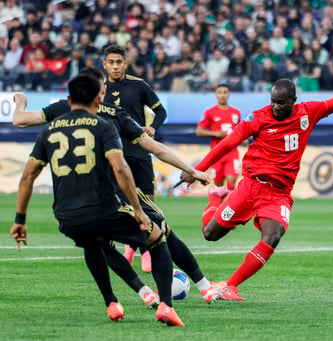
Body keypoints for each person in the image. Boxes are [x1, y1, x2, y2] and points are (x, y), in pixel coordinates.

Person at [12, 66, 227, 304]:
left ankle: (138, 294)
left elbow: (20, 122)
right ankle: (200, 288)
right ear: (101, 91)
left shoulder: (62, 111)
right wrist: (192, 170)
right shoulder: (114, 114)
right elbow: (155, 148)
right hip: (116, 188)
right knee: (160, 230)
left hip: (76, 197)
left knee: (98, 243)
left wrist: (20, 102)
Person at [178, 75, 333, 301]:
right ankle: (214, 197)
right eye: (273, 102)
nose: (276, 107)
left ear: (293, 100)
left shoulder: (308, 113)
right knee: (210, 234)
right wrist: (194, 170)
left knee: (273, 235)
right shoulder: (257, 118)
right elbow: (227, 144)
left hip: (277, 195)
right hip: (249, 187)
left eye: (281, 102)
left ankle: (230, 286)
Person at [102, 44, 168, 271]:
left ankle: (146, 250)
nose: (115, 66)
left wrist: (153, 128)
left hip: (139, 153)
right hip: (114, 155)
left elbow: (161, 111)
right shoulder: (100, 90)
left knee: (148, 201)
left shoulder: (139, 86)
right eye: (111, 62)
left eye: (119, 62)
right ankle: (131, 245)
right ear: (105, 65)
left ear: (125, 63)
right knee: (123, 202)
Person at [196, 84, 241, 191]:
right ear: (216, 95)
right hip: (216, 153)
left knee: (231, 184)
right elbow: (199, 131)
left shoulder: (236, 112)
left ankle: (231, 207)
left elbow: (239, 130)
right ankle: (218, 207)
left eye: (225, 92)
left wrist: (242, 139)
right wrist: (215, 133)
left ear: (229, 94)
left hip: (232, 152)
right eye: (219, 92)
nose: (222, 95)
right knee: (219, 188)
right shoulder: (209, 112)